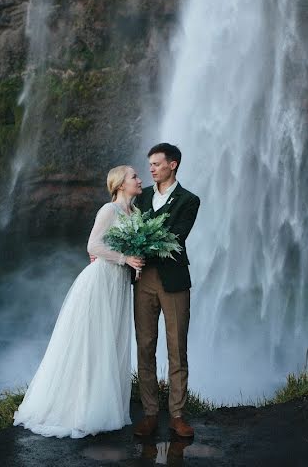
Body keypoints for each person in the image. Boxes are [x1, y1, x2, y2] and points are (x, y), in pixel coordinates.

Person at [12, 165, 145, 438]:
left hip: (120, 283)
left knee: (114, 339)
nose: (139, 179)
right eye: (134, 176)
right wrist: (124, 259)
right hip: (102, 280)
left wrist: (135, 262)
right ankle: (81, 407)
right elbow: (92, 246)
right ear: (120, 184)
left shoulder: (137, 213)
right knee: (94, 340)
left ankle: (107, 405)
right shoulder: (109, 211)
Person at [132, 143, 201, 438]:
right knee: (145, 346)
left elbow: (175, 236)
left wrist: (136, 243)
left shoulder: (189, 200)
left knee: (177, 348)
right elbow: (121, 223)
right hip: (143, 279)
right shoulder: (142, 195)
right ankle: (149, 413)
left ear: (172, 165)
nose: (151, 169)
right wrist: (109, 250)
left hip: (174, 282)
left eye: (157, 164)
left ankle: (177, 415)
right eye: (149, 165)